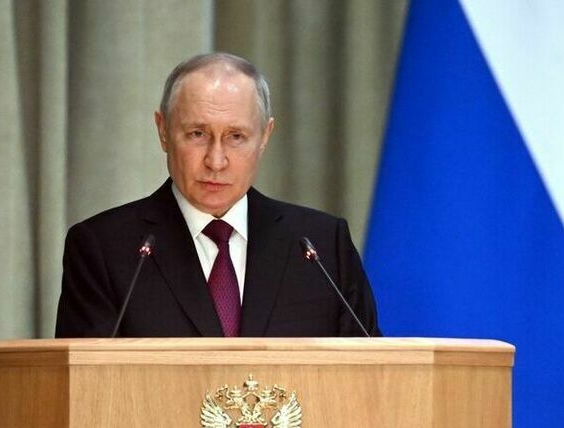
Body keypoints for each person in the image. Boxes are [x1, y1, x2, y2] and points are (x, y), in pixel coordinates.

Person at [55, 52, 381, 338]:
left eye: (236, 136)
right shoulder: (104, 248)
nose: (216, 161)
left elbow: (371, 373)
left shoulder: (320, 246)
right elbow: (83, 381)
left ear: (265, 136)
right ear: (163, 131)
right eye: (198, 134)